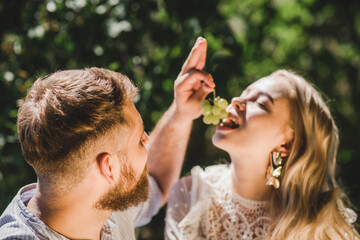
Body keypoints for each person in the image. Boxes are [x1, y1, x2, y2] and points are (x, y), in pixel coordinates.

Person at [0, 37, 215, 239]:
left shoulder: (98, 198)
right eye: (140, 139)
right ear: (109, 167)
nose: (148, 141)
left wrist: (180, 113)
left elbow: (156, 182)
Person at [165, 68, 359, 239]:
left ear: (287, 143)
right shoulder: (189, 195)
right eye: (245, 93)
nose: (236, 101)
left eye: (260, 103)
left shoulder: (320, 227)